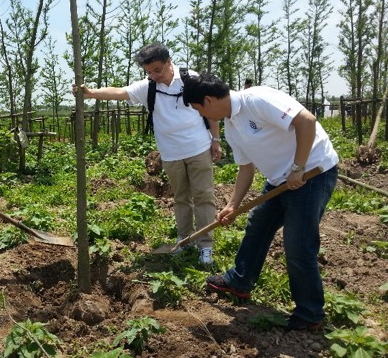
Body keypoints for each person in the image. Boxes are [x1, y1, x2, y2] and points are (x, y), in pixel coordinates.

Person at [182, 73, 338, 331]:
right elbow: (246, 168)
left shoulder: (258, 99)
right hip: (281, 179)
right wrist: (232, 204)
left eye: (198, 109)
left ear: (208, 101)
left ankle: (310, 313)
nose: (201, 115)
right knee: (258, 225)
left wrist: (298, 167)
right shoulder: (232, 126)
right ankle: (239, 282)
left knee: (298, 244)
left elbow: (307, 121)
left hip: (313, 172)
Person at [73, 43, 222, 264]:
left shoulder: (192, 79)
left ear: (169, 62)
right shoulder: (148, 86)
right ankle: (184, 240)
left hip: (198, 148)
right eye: (148, 72)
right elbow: (120, 92)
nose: (153, 76)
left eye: (157, 70)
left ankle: (205, 246)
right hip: (170, 154)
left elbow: (211, 111)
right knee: (181, 198)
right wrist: (91, 93)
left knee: (204, 197)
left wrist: (216, 140)